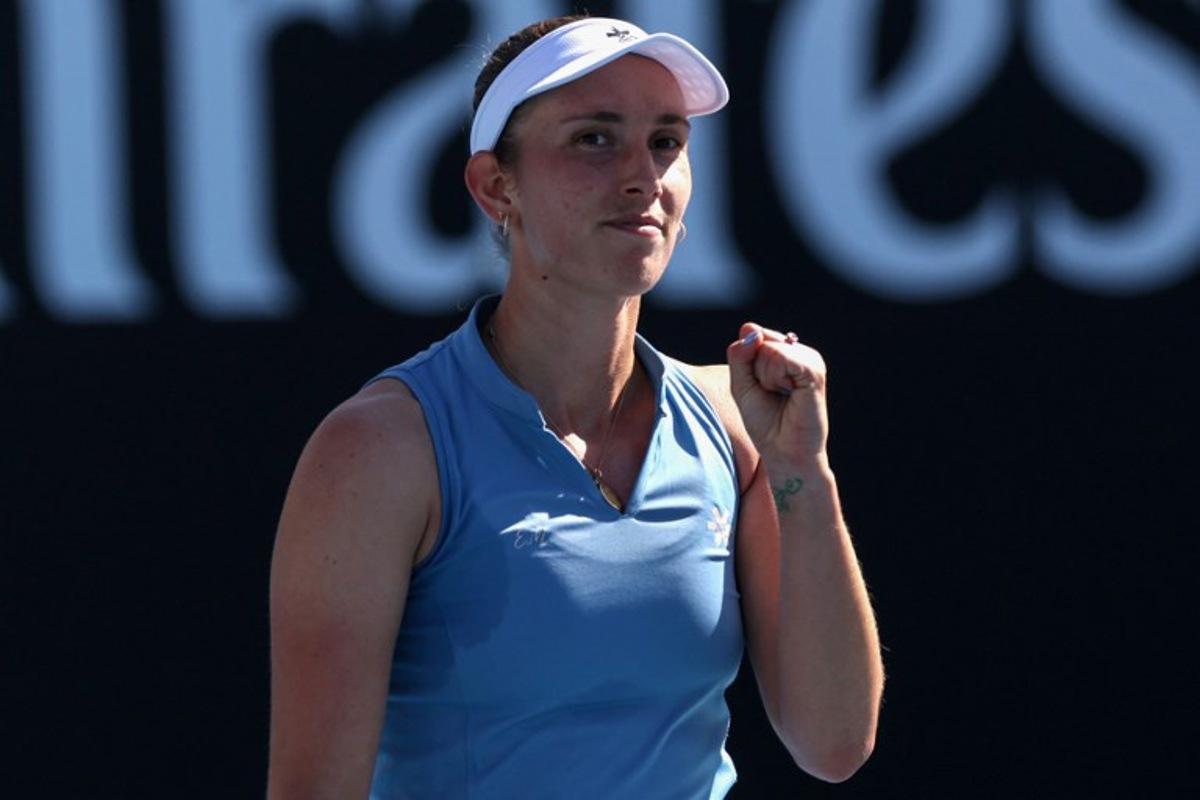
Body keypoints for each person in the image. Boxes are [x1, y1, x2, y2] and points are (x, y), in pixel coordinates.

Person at [267, 14, 883, 800]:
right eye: (596, 139)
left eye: (666, 141)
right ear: (497, 186)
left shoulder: (737, 423)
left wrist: (804, 472)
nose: (643, 175)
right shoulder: (381, 449)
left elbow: (834, 742)